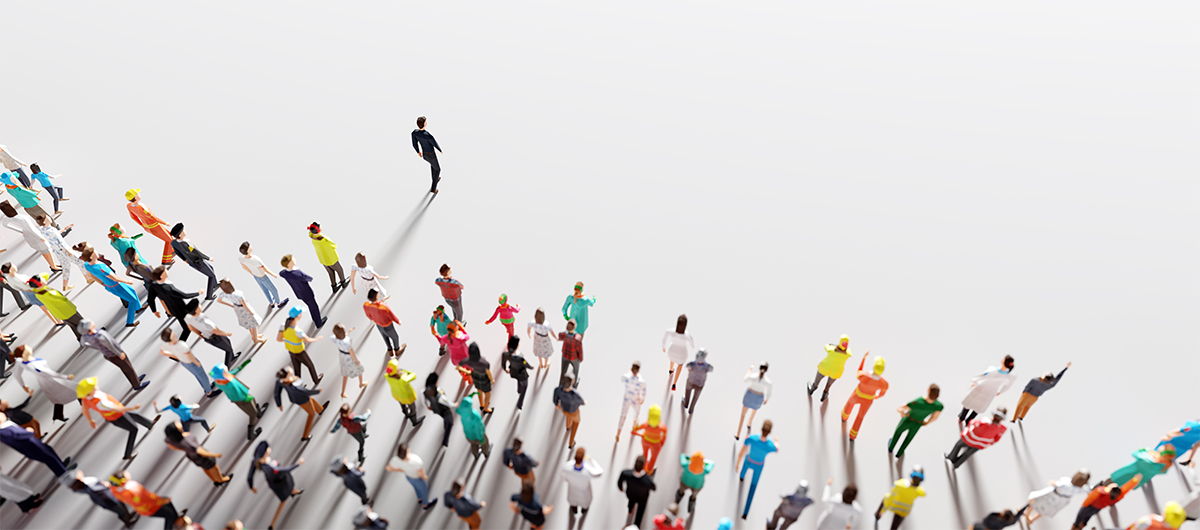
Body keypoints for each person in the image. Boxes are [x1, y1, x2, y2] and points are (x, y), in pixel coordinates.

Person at [78, 377, 160, 460]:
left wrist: (90, 420)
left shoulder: (86, 399)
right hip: (118, 416)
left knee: (134, 415)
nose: (96, 384)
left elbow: (85, 411)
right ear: (90, 390)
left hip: (113, 415)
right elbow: (117, 409)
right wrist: (132, 408)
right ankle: (128, 454)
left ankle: (149, 424)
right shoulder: (101, 402)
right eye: (93, 385)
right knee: (133, 429)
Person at [78, 319, 150, 391]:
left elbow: (83, 344)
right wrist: (119, 354)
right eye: (90, 323)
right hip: (115, 354)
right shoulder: (99, 336)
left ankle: (136, 379)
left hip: (108, 355)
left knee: (127, 367)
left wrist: (98, 348)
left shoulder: (85, 337)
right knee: (128, 368)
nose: (92, 322)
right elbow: (111, 346)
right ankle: (137, 385)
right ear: (89, 328)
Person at [247, 441, 305, 530]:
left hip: (280, 480)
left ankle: (293, 491)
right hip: (280, 483)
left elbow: (249, 476)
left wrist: (251, 486)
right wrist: (298, 464)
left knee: (291, 485)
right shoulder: (271, 467)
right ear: (265, 452)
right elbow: (284, 470)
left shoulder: (256, 461)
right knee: (283, 501)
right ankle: (272, 524)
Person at [80, 246, 143, 327]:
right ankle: (130, 322)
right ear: (91, 256)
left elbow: (91, 275)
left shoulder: (86, 265)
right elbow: (114, 278)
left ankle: (138, 308)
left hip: (111, 285)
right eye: (94, 251)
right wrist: (128, 281)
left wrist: (102, 283)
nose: (96, 252)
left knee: (132, 291)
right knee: (132, 300)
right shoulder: (100, 267)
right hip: (116, 286)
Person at [12, 345, 75, 422]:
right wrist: (66, 377)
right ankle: (84, 403)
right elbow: (49, 373)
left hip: (45, 382)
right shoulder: (34, 365)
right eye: (27, 347)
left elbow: (16, 375)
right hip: (51, 381)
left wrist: (23, 385)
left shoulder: (20, 361)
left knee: (59, 398)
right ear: (25, 352)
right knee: (74, 389)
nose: (29, 347)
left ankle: (58, 415)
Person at [0, 411, 73, 477]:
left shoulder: (6, 425)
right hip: (30, 446)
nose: (2, 414)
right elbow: (17, 437)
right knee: (49, 458)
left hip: (32, 442)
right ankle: (63, 473)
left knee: (50, 453)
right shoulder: (3, 431)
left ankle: (61, 467)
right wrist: (28, 431)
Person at [163, 421, 233, 486]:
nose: (178, 422)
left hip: (192, 456)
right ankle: (221, 480)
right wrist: (215, 455)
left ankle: (215, 480)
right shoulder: (187, 440)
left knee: (206, 468)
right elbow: (200, 451)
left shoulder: (173, 441)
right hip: (201, 456)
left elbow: (170, 445)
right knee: (214, 467)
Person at [59, 469, 139, 526]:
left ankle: (129, 515)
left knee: (122, 505)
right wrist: (106, 486)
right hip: (108, 500)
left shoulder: (86, 483)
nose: (78, 472)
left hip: (109, 496)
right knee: (120, 511)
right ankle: (128, 521)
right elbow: (100, 489)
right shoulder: (88, 486)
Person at [108, 470, 185, 530]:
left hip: (142, 508)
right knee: (170, 515)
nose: (126, 472)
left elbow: (112, 488)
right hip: (151, 507)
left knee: (169, 506)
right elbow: (148, 500)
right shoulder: (134, 490)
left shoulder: (116, 490)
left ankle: (177, 519)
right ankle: (174, 524)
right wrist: (162, 501)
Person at [210, 363, 268, 440]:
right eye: (224, 369)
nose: (226, 367)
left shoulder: (220, 380)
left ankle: (259, 413)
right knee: (252, 414)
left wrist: (240, 367)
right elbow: (237, 393)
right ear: (222, 374)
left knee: (253, 400)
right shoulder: (229, 384)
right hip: (242, 399)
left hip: (244, 395)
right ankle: (251, 434)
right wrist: (245, 398)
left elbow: (231, 373)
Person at [737, 420, 779, 519]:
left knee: (744, 469)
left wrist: (737, 463)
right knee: (753, 487)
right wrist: (776, 441)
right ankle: (745, 513)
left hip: (749, 460)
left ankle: (741, 477)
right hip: (758, 466)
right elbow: (777, 449)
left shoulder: (752, 438)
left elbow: (742, 452)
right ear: (769, 432)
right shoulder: (770, 445)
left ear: (761, 429)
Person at [273, 366, 329, 441]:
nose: (290, 369)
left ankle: (320, 410)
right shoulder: (295, 387)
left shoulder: (280, 381)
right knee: (311, 414)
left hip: (294, 398)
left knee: (311, 400)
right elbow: (307, 392)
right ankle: (305, 436)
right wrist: (318, 391)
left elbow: (277, 393)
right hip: (302, 400)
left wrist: (279, 404)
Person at [840, 354, 888, 440]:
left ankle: (844, 417)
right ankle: (853, 436)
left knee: (849, 405)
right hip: (868, 400)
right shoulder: (884, 384)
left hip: (857, 395)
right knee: (860, 416)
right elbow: (882, 393)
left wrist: (863, 359)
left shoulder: (865, 376)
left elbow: (858, 372)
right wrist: (876, 396)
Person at [888, 384, 943, 458]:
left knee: (898, 432)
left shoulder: (919, 401)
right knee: (909, 438)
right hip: (918, 423)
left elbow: (901, 408)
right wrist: (927, 422)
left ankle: (891, 447)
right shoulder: (938, 406)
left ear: (928, 391)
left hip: (908, 419)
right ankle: (899, 453)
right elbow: (934, 417)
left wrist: (902, 413)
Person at [1071, 475, 1142, 530]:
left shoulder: (1100, 491)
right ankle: (1082, 525)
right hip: (1098, 508)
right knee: (1088, 516)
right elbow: (1126, 488)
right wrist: (1135, 480)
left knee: (1080, 515)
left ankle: (1076, 526)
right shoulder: (1118, 496)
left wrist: (1084, 504)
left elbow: (1090, 498)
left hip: (1090, 505)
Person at [959, 356, 1017, 423]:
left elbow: (982, 376)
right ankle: (969, 420)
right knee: (979, 406)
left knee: (970, 402)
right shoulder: (1009, 376)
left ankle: (962, 417)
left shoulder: (993, 370)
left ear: (1003, 361)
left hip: (981, 388)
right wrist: (1000, 391)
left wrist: (974, 381)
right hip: (991, 392)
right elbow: (1007, 386)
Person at [124, 189, 175, 265]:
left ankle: (172, 251)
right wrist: (165, 223)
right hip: (155, 226)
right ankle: (166, 261)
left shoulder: (129, 206)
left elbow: (133, 217)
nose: (139, 194)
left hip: (147, 227)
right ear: (136, 196)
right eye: (137, 193)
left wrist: (142, 225)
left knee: (169, 236)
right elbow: (153, 217)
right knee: (169, 240)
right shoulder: (142, 207)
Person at [148, 266, 200, 340]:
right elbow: (184, 295)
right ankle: (180, 346)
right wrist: (198, 293)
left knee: (188, 325)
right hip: (181, 310)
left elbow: (150, 299)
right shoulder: (168, 287)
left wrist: (154, 310)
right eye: (165, 270)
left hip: (172, 309)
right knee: (187, 329)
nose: (167, 271)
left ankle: (198, 329)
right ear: (162, 275)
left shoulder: (154, 285)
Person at [1, 201, 56, 270]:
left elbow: (5, 225)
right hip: (35, 235)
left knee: (42, 251)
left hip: (27, 235)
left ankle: (52, 265)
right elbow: (31, 229)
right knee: (47, 250)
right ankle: (54, 267)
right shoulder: (22, 218)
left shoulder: (6, 218)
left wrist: (20, 231)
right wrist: (41, 237)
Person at [170, 223, 219, 300]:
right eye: (183, 231)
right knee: (211, 276)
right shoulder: (186, 244)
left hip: (192, 262)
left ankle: (214, 285)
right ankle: (209, 295)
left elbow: (177, 252)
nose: (184, 232)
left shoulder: (174, 243)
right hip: (198, 261)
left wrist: (185, 260)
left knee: (211, 268)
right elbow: (197, 252)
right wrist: (208, 258)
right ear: (180, 235)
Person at [184, 299, 239, 367]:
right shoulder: (205, 321)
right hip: (216, 337)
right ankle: (226, 370)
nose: (200, 305)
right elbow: (216, 331)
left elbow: (191, 328)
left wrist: (199, 334)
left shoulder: (188, 317)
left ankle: (231, 357)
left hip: (206, 337)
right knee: (228, 350)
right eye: (199, 305)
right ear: (196, 309)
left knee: (227, 341)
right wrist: (226, 333)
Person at [1024, 469, 1091, 524]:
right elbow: (1089, 489)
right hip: (1061, 501)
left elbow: (1052, 483)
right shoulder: (1080, 489)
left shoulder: (1066, 482)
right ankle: (1032, 520)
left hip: (1053, 495)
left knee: (1035, 501)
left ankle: (1027, 514)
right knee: (1045, 510)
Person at [560, 446, 603, 529]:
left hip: (572, 490)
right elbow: (600, 472)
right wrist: (591, 460)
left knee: (573, 502)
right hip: (584, 493)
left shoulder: (566, 467)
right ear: (583, 457)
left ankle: (574, 510)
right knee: (584, 504)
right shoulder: (588, 471)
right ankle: (583, 511)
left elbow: (563, 478)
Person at [277, 307, 324, 385]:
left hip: (291, 351)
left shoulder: (283, 326)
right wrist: (316, 339)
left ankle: (298, 384)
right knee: (310, 365)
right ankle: (316, 380)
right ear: (298, 316)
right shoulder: (297, 331)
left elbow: (279, 339)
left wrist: (289, 340)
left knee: (297, 369)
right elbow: (307, 340)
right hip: (300, 352)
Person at [40, 214, 87, 290]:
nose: (49, 218)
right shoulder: (53, 231)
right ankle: (88, 278)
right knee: (80, 262)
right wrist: (68, 251)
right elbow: (60, 242)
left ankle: (65, 286)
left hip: (58, 253)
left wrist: (65, 228)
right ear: (45, 221)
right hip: (64, 250)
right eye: (47, 217)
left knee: (66, 268)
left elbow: (55, 235)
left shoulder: (42, 230)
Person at [385, 443, 438, 510]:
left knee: (416, 487)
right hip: (417, 478)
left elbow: (388, 468)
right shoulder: (416, 461)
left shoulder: (395, 460)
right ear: (407, 450)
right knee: (425, 490)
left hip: (408, 477)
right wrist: (424, 477)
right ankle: (425, 504)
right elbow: (420, 473)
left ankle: (420, 498)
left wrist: (402, 470)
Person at [279, 254, 326, 328]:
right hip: (307, 293)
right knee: (314, 306)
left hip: (299, 294)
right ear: (289, 263)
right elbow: (308, 278)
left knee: (310, 306)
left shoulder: (284, 273)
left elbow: (281, 273)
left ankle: (315, 318)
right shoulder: (297, 273)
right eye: (292, 259)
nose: (294, 259)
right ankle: (318, 322)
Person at [238, 242, 287, 309]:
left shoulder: (241, 259)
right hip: (263, 276)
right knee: (274, 289)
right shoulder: (255, 259)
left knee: (265, 290)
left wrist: (252, 273)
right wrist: (274, 274)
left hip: (256, 276)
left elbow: (244, 267)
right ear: (248, 250)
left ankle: (271, 303)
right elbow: (265, 269)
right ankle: (279, 303)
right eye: (249, 246)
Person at [875, 466, 925, 530]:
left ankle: (877, 515)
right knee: (894, 527)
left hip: (897, 508)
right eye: (916, 478)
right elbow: (923, 493)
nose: (917, 481)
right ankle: (878, 516)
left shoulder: (901, 485)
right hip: (903, 511)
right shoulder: (917, 491)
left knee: (886, 498)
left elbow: (889, 498)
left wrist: (882, 511)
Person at [216, 279, 265, 344]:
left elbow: (219, 300)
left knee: (247, 322)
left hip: (237, 308)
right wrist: (251, 312)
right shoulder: (238, 294)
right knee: (253, 323)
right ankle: (256, 339)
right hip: (244, 308)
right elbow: (245, 305)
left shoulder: (223, 294)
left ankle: (253, 336)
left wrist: (231, 305)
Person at [807, 335, 852, 402]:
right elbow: (849, 353)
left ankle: (813, 388)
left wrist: (834, 345)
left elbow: (826, 346)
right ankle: (824, 394)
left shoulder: (832, 350)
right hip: (836, 372)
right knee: (829, 384)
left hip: (825, 368)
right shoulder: (847, 353)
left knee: (817, 380)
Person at [1110, 445, 1175, 491]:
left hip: (1136, 480)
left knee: (1122, 490)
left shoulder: (1162, 467)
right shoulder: (1147, 455)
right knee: (1112, 482)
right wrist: (1143, 452)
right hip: (1127, 472)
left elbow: (1162, 472)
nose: (1164, 460)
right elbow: (1134, 453)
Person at [383, 359, 425, 428]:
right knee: (412, 408)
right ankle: (414, 421)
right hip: (407, 396)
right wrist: (403, 371)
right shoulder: (403, 379)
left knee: (402, 404)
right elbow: (413, 375)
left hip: (396, 394)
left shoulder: (387, 376)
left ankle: (405, 413)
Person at [364, 289, 405, 356]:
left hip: (378, 324)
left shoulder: (366, 305)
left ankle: (390, 350)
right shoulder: (383, 307)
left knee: (385, 337)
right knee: (395, 337)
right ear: (376, 296)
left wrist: (372, 319)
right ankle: (397, 350)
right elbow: (391, 315)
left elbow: (368, 314)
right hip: (387, 325)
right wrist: (398, 321)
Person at [306, 222, 346, 293]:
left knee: (330, 273)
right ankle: (343, 282)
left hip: (323, 260)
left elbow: (310, 233)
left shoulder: (312, 237)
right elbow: (334, 246)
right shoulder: (324, 239)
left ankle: (334, 287)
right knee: (340, 270)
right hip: (331, 259)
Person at [736, 363, 772, 440]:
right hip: (758, 397)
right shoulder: (768, 381)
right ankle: (749, 423)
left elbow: (745, 379)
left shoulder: (754, 376)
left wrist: (749, 370)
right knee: (754, 410)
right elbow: (769, 391)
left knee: (743, 415)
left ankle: (738, 433)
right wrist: (766, 399)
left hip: (750, 394)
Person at [619, 455, 657, 527]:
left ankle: (629, 515)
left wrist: (621, 488)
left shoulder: (626, 473)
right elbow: (654, 488)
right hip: (642, 499)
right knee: (640, 511)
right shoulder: (647, 481)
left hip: (630, 495)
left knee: (630, 504)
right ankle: (636, 525)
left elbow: (619, 482)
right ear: (643, 466)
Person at [498, 336, 533, 410]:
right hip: (522, 374)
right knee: (525, 386)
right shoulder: (519, 357)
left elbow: (503, 363)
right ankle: (520, 404)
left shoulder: (505, 354)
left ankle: (518, 390)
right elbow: (525, 363)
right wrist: (531, 367)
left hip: (513, 372)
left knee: (518, 379)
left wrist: (505, 369)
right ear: (517, 345)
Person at [631, 404, 668, 474]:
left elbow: (636, 429)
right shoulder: (663, 427)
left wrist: (635, 425)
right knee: (653, 458)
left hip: (645, 441)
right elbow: (664, 437)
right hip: (656, 444)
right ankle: (649, 471)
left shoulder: (645, 424)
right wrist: (661, 444)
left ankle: (643, 467)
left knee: (645, 454)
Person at [331, 324, 366, 397]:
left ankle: (343, 392)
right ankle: (361, 383)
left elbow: (340, 339)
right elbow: (351, 352)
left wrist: (348, 332)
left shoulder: (334, 338)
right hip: (348, 357)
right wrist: (357, 360)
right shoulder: (347, 341)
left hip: (342, 356)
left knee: (345, 373)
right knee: (359, 368)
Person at [616, 361, 647, 442]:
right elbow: (644, 389)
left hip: (627, 398)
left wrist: (629, 372)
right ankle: (634, 426)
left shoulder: (626, 377)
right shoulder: (641, 380)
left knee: (623, 414)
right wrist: (642, 397)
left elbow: (622, 378)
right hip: (635, 399)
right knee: (636, 412)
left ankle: (618, 433)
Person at [663, 314, 694, 391]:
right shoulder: (687, 335)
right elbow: (692, 344)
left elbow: (664, 340)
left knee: (672, 359)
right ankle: (674, 384)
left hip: (671, 351)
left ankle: (670, 370)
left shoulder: (670, 331)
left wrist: (663, 347)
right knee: (679, 366)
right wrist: (692, 347)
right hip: (681, 354)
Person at [456, 391, 491, 458]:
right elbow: (477, 429)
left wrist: (472, 395)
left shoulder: (462, 412)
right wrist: (481, 439)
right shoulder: (474, 416)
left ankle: (475, 454)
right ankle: (486, 452)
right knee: (485, 443)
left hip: (468, 435)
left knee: (473, 444)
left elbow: (465, 403)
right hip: (478, 435)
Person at [413, 116, 444, 193]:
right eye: (426, 122)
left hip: (424, 155)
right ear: (424, 124)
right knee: (438, 169)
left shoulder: (415, 133)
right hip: (431, 155)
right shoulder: (427, 135)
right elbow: (434, 143)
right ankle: (433, 188)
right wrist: (440, 150)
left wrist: (418, 152)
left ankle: (435, 178)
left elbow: (414, 144)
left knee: (433, 165)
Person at [553, 375, 586, 448]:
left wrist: (557, 405)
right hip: (574, 411)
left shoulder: (558, 390)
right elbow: (581, 402)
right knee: (576, 423)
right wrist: (584, 402)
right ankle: (571, 443)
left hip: (564, 409)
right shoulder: (574, 394)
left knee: (568, 415)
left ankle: (568, 426)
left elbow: (555, 400)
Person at [424, 373, 456, 447]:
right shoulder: (439, 392)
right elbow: (446, 402)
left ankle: (445, 427)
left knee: (446, 421)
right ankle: (445, 441)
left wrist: (428, 406)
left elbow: (424, 400)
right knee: (450, 422)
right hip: (444, 409)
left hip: (435, 409)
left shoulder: (426, 392)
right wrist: (455, 404)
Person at [462, 342, 495, 413]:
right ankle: (486, 408)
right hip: (483, 377)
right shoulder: (484, 363)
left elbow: (461, 364)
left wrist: (467, 372)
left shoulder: (468, 360)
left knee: (479, 389)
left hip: (475, 375)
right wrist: (492, 379)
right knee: (487, 393)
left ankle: (481, 404)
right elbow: (488, 372)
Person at [682, 348, 713, 414]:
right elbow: (711, 369)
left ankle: (686, 403)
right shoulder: (706, 366)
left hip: (690, 381)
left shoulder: (692, 364)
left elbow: (687, 367)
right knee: (695, 397)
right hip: (700, 384)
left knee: (687, 392)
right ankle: (691, 409)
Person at [558, 319, 584, 386]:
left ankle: (561, 383)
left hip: (565, 355)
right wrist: (581, 358)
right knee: (575, 370)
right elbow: (580, 350)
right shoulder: (577, 338)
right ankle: (574, 383)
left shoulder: (564, 335)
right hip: (573, 357)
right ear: (575, 327)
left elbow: (559, 335)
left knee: (563, 371)